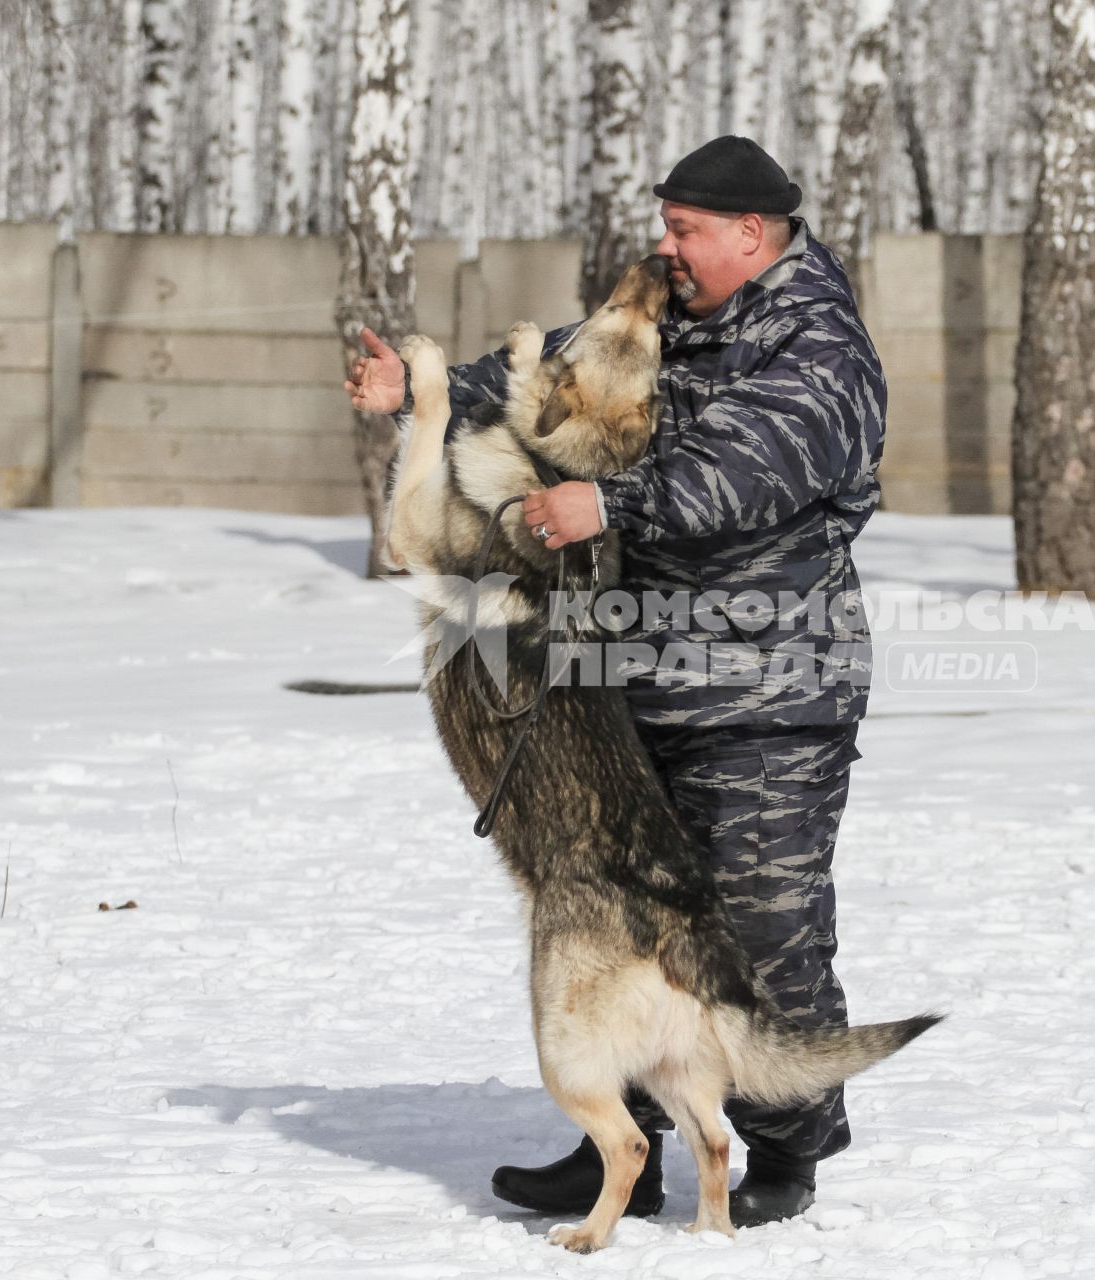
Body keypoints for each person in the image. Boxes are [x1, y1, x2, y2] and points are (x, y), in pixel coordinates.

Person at [343, 135, 886, 1227]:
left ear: (753, 233)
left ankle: (788, 1137)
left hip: (768, 697)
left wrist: (612, 504)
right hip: (633, 678)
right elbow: (563, 373)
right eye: (667, 223)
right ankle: (617, 1143)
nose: (667, 246)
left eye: (688, 228)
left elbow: (749, 467)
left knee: (763, 923)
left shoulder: (820, 344)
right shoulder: (676, 313)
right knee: (619, 919)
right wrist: (426, 388)